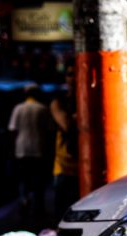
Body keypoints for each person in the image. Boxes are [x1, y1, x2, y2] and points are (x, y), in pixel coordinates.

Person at [8, 83, 54, 219]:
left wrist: (12, 151)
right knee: (38, 181)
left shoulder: (18, 108)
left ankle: (24, 202)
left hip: (21, 151)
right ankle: (38, 207)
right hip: (39, 150)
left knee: (23, 179)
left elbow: (12, 130)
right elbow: (50, 132)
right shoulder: (43, 109)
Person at [50, 61, 79, 220]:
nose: (72, 78)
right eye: (69, 74)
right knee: (63, 215)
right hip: (64, 168)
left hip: (84, 168)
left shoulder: (86, 99)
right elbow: (66, 124)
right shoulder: (59, 101)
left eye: (75, 74)